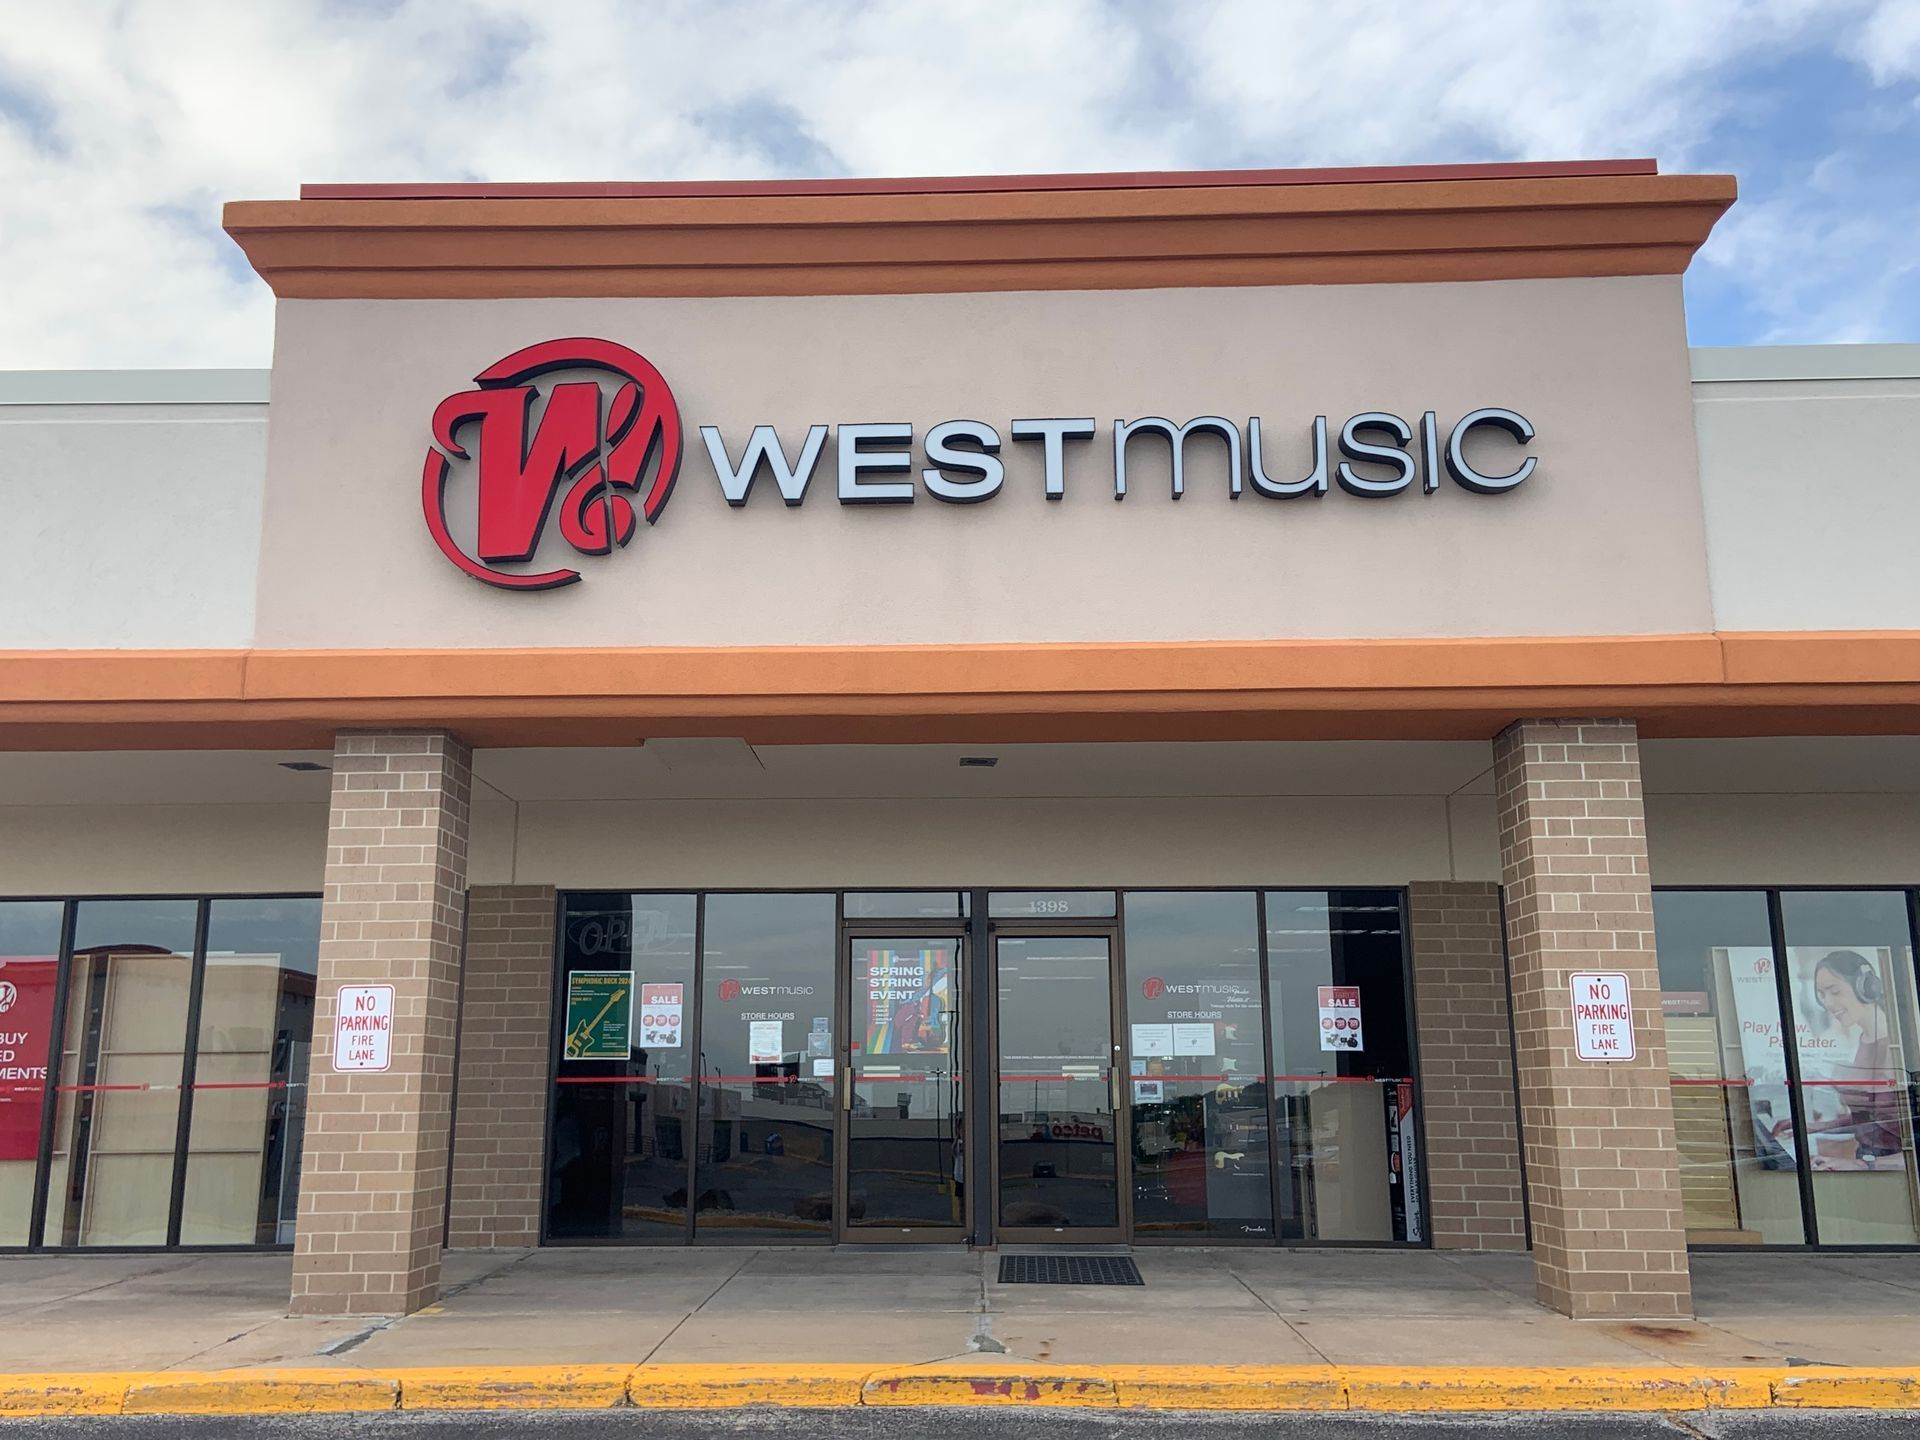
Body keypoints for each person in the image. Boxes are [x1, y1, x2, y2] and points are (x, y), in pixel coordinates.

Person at [1808, 950, 1904, 1169]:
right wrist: (1816, 1127)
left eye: (1834, 991)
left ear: (1867, 988)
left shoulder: (1900, 1046)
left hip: (1894, 1172)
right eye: (1822, 995)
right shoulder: (1866, 1039)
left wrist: (1863, 1165)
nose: (1828, 1003)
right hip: (1871, 1162)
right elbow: (1873, 1118)